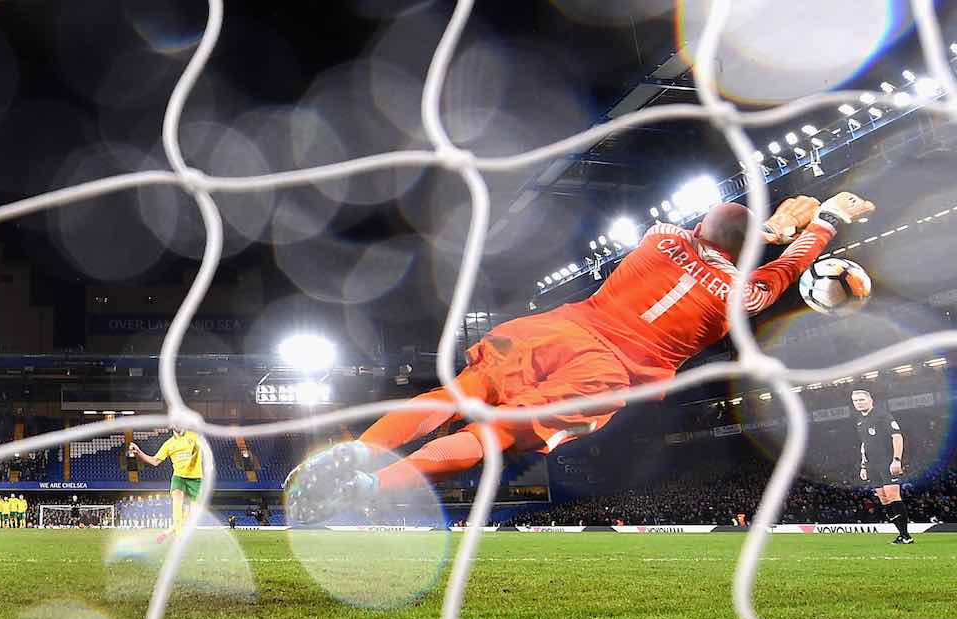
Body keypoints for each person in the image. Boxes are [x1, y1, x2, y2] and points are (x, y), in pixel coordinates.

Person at [286, 193, 876, 523]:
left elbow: (733, 235)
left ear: (700, 228)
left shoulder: (661, 239)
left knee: (456, 396)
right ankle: (369, 487)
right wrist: (822, 223)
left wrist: (770, 224)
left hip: (558, 328)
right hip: (604, 374)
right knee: (495, 438)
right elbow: (784, 270)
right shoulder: (743, 295)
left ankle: (350, 456)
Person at [852, 389, 913, 544]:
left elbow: (897, 436)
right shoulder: (859, 421)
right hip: (872, 465)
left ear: (870, 400)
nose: (858, 403)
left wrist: (897, 459)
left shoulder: (882, 415)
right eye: (855, 401)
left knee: (893, 496)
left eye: (861, 400)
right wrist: (863, 466)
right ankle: (901, 535)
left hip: (887, 462)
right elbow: (864, 445)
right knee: (884, 499)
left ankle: (906, 535)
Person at [129, 428, 203, 543]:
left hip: (196, 479)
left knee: (192, 514)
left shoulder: (194, 436)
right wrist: (138, 451)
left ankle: (167, 532)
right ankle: (179, 536)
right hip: (179, 477)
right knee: (177, 501)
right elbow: (154, 461)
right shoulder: (169, 444)